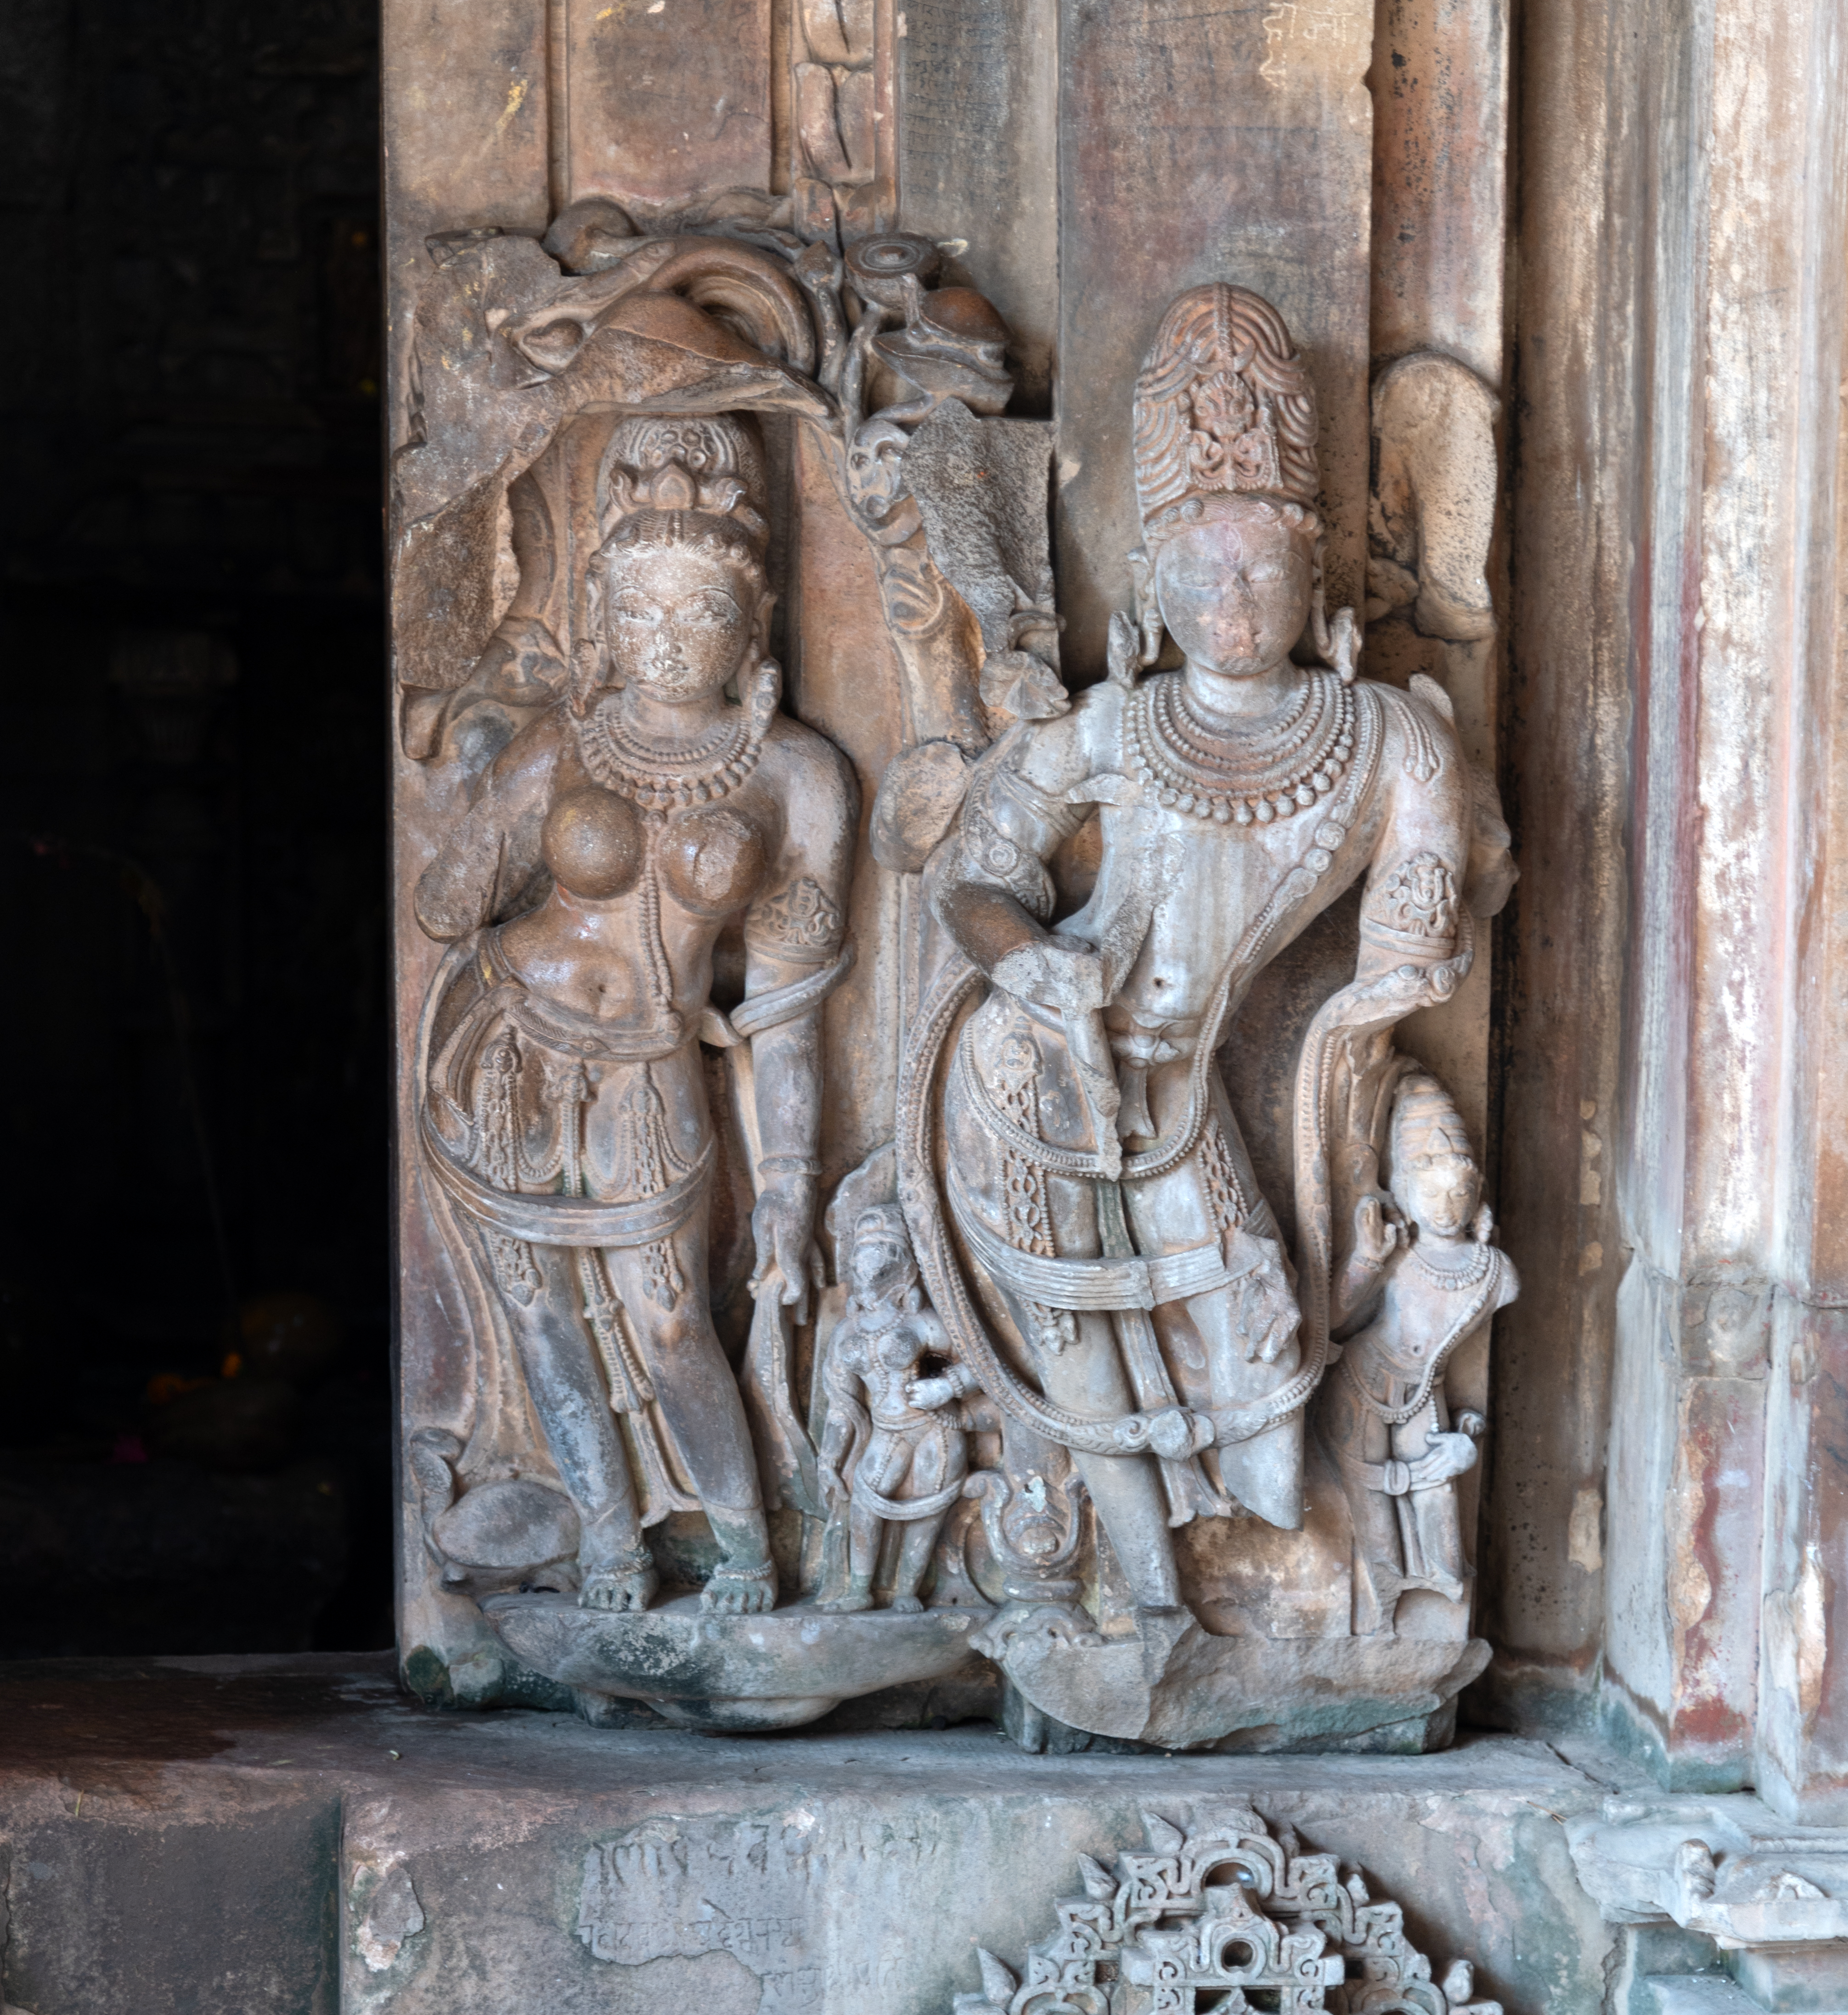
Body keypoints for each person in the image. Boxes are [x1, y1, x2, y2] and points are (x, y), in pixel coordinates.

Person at [915, 284, 1482, 1646]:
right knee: (1080, 1337)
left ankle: (1257, 1588)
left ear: (1315, 575)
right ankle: (1146, 1605)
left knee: (1262, 1364)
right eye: (1203, 572)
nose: (1232, 601)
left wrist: (1368, 1101)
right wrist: (1024, 966)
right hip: (1042, 1070)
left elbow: (1417, 937)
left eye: (1261, 570)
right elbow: (969, 875)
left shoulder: (1389, 742)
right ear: (1157, 583)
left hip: (1194, 1092)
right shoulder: (1118, 729)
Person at [414, 414, 855, 1615]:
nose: (671, 638)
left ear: (749, 620)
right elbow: (447, 902)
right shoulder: (567, 744)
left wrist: (792, 1186)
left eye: (701, 609)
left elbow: (788, 1010)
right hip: (510, 1048)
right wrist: (478, 776)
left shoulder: (796, 777)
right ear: (606, 616)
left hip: (655, 1060)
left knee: (670, 1321)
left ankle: (746, 1545)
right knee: (544, 1315)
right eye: (645, 610)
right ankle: (608, 1541)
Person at [1317, 1069, 1519, 1633]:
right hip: (1360, 1385)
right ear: (1404, 1191)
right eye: (1430, 1191)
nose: (1446, 1205)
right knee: (1375, 1513)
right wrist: (1365, 1259)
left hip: (1424, 1394)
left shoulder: (1495, 1273)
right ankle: (1384, 1616)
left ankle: (1436, 1613)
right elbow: (1331, 1321)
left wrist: (1467, 1431)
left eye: (1459, 1191)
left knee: (1439, 1511)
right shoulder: (1398, 1256)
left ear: (1477, 1192)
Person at [816, 1207, 980, 1615]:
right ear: (852, 1264)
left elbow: (981, 1363)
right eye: (862, 1256)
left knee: (928, 1506)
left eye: (885, 1255)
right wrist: (829, 1461)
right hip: (887, 1430)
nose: (870, 1267)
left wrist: (945, 1387)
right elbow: (841, 1405)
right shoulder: (847, 1332)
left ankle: (908, 1590)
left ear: (904, 1266)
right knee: (865, 1505)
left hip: (934, 1427)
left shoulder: (923, 1322)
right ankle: (859, 1588)